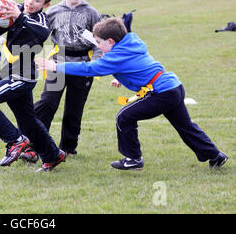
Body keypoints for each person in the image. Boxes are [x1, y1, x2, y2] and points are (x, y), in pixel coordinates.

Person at [36, 17, 228, 170]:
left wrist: (55, 65)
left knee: (124, 117)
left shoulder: (115, 56)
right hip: (173, 86)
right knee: (185, 126)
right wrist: (120, 77)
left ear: (111, 41)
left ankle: (133, 159)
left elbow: (89, 69)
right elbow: (135, 63)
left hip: (161, 92)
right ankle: (215, 156)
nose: (98, 46)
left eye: (99, 43)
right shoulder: (131, 42)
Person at [0, 0, 66, 172]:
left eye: (37, 0)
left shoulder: (40, 18)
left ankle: (15, 141)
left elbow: (41, 33)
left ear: (45, 5)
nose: (31, 2)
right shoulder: (17, 10)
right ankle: (53, 155)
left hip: (22, 77)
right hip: (9, 72)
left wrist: (20, 15)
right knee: (28, 121)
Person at [28, 0, 101, 161]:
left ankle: (68, 147)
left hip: (83, 67)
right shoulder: (52, 12)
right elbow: (37, 34)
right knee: (47, 103)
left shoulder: (91, 13)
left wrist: (96, 62)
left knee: (74, 109)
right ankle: (34, 145)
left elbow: (99, 42)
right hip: (57, 64)